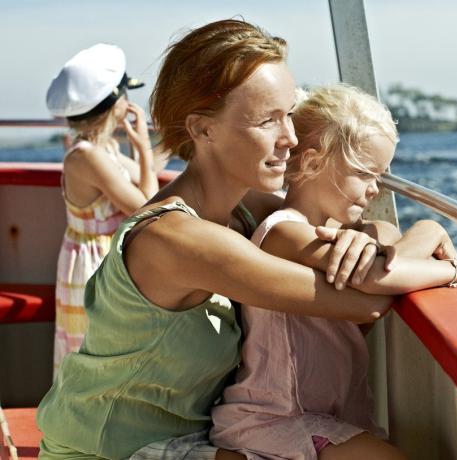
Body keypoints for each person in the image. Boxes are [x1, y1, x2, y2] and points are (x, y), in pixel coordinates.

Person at [36, 19, 408, 460]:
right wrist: (440, 253)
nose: (289, 137)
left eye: (289, 113)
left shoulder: (251, 210)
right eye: (268, 120)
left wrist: (379, 232)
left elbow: (354, 242)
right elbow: (365, 302)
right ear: (202, 129)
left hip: (194, 438)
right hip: (110, 448)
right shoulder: (179, 239)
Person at [209, 84, 457, 460]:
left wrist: (426, 230)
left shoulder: (355, 237)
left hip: (332, 416)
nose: (376, 190)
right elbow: (375, 277)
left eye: (381, 175)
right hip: (277, 418)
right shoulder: (283, 233)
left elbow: (387, 256)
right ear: (313, 164)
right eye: (365, 174)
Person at [45, 43, 161, 375]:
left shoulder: (102, 148)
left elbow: (142, 180)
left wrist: (145, 154)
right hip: (93, 264)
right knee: (95, 353)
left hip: (101, 257)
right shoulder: (87, 156)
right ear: (115, 103)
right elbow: (146, 206)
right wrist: (142, 145)